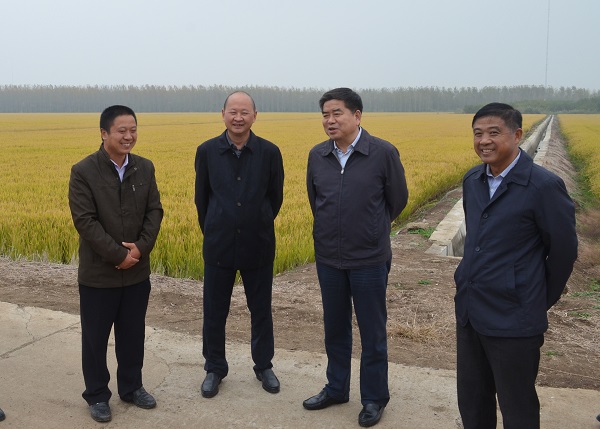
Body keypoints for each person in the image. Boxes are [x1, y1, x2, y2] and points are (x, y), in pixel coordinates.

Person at [454, 103, 578, 429]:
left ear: (517, 135)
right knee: (473, 401)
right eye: (478, 134)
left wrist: (535, 299)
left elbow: (564, 253)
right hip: (471, 311)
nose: (484, 141)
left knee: (517, 406)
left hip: (514, 320)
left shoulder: (543, 186)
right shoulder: (473, 180)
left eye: (494, 133)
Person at [304, 88, 408, 427]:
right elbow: (316, 200)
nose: (330, 120)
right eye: (325, 115)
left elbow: (397, 200)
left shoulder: (382, 153)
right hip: (329, 259)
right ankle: (336, 388)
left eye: (337, 113)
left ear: (357, 115)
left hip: (369, 259)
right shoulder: (318, 155)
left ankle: (374, 398)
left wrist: (371, 230)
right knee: (335, 328)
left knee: (372, 332)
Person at [69, 105, 163, 423]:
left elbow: (154, 211)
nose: (128, 136)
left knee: (133, 335)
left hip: (137, 272)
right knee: (95, 339)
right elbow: (85, 221)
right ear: (104, 133)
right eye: (122, 130)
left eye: (133, 130)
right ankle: (97, 395)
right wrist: (119, 255)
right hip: (98, 276)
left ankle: (132, 387)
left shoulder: (144, 168)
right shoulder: (84, 171)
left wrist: (140, 249)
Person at [194, 91, 284, 398]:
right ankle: (214, 368)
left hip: (258, 244)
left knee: (261, 310)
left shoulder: (269, 152)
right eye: (233, 112)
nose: (238, 117)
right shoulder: (207, 151)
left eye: (245, 112)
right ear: (222, 114)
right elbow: (202, 199)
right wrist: (217, 225)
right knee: (214, 311)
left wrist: (257, 220)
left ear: (255, 116)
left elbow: (275, 198)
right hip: (218, 245)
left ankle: (264, 365)